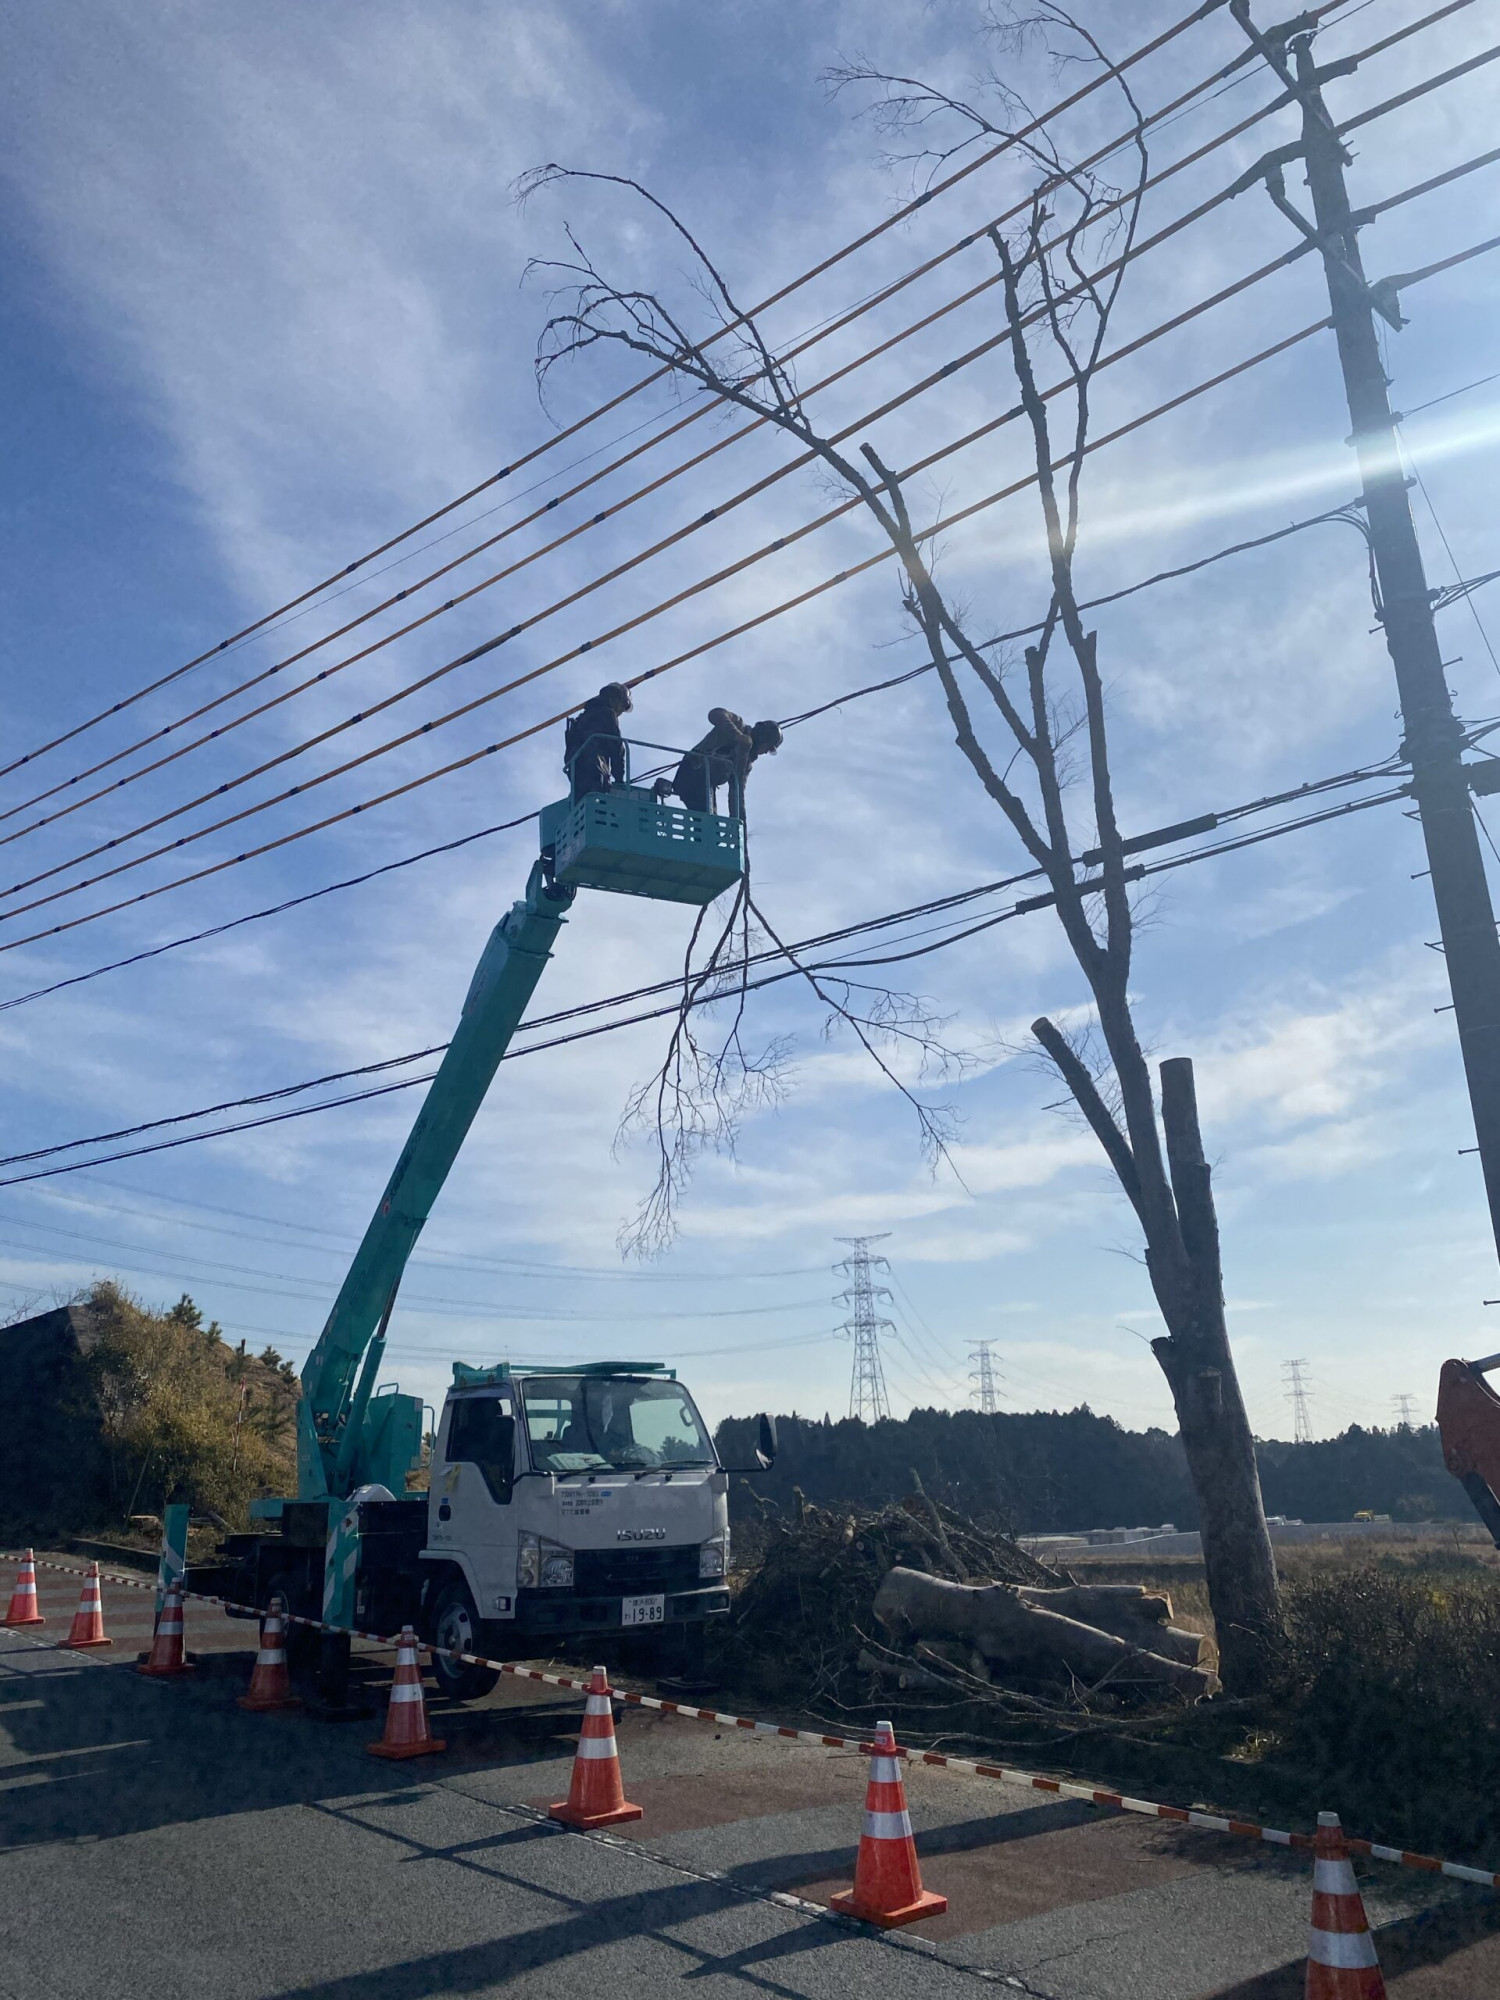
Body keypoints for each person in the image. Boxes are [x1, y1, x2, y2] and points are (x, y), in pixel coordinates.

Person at [668, 708, 783, 814]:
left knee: (712, 821)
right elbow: (715, 714)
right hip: (692, 772)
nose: (765, 752)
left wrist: (739, 824)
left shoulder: (745, 764)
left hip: (707, 785)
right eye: (767, 747)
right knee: (709, 819)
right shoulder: (738, 725)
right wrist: (737, 736)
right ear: (762, 738)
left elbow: (737, 794)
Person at [564, 682, 632, 798]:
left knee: (582, 797)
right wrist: (619, 778)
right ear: (614, 700)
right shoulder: (607, 714)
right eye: (623, 705)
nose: (621, 711)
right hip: (594, 768)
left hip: (576, 769)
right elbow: (616, 747)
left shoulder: (583, 717)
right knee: (597, 798)